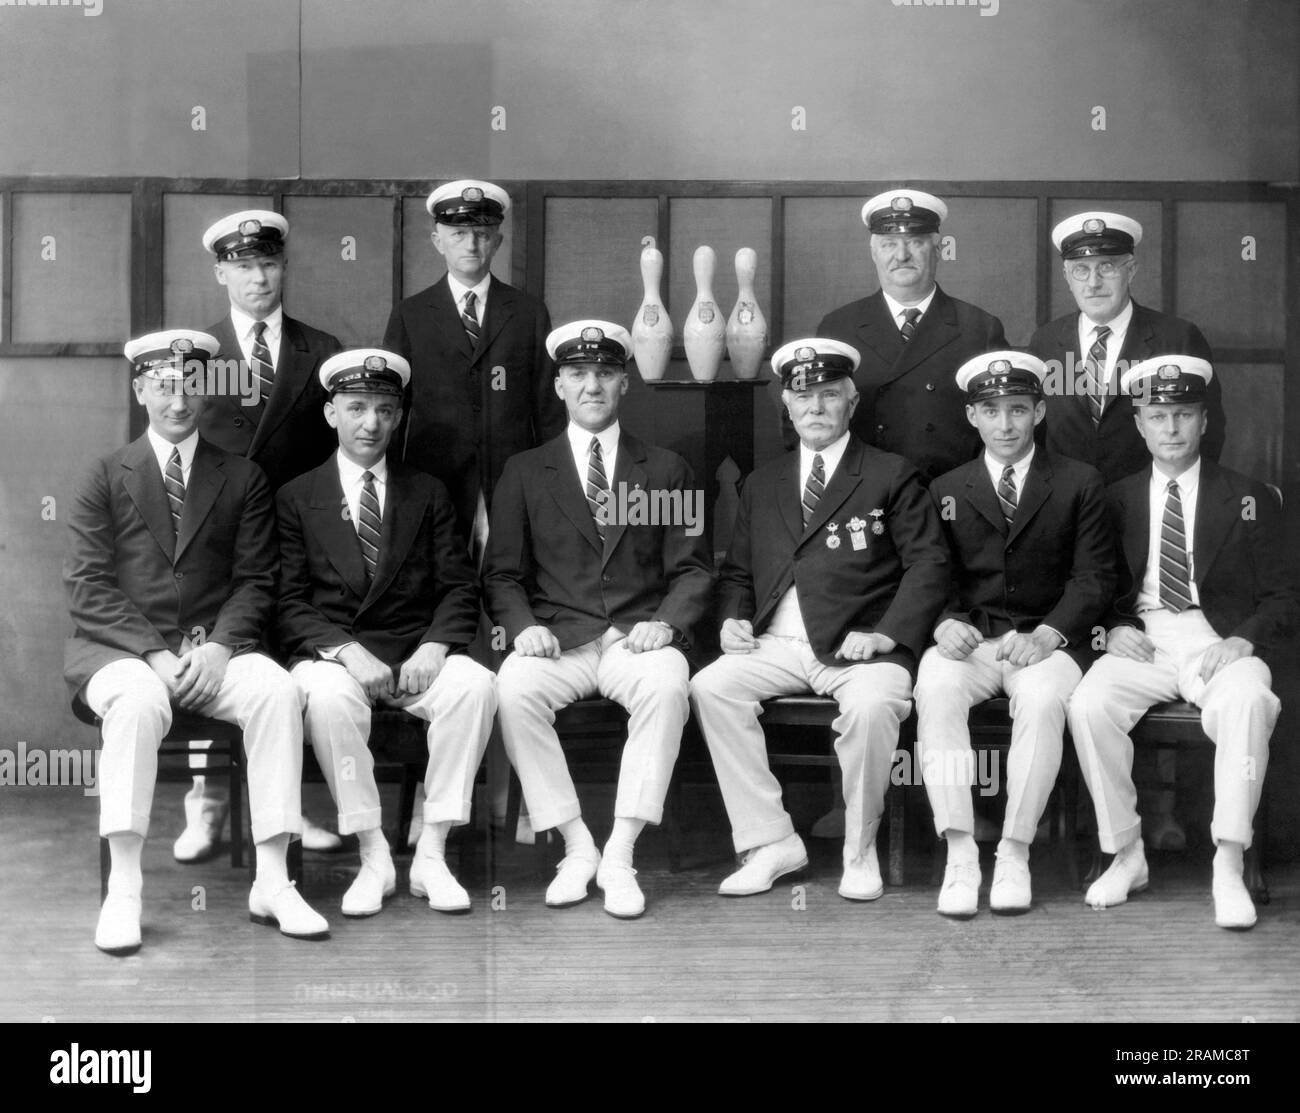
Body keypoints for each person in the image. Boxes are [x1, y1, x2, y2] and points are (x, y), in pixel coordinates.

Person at [65, 329, 329, 955]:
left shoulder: (243, 476)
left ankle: (273, 879)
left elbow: (257, 578)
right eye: (162, 385)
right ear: (140, 390)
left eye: (189, 385)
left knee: (273, 689)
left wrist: (219, 648)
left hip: (214, 649)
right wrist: (154, 653)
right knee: (136, 703)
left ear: (207, 390)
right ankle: (124, 891)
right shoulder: (103, 474)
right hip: (123, 651)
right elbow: (87, 587)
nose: (177, 399)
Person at [689, 338, 949, 902]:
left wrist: (886, 632)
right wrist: (733, 619)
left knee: (875, 705)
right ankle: (772, 840)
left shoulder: (890, 473)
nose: (815, 407)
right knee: (710, 687)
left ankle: (860, 850)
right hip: (779, 644)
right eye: (803, 396)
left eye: (829, 395)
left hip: (861, 647)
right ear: (786, 403)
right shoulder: (763, 483)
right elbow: (737, 574)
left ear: (851, 402)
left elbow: (929, 563)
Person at [482, 321, 714, 918]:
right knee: (512, 687)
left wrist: (666, 621)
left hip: (637, 638)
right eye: (578, 375)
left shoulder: (666, 468)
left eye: (605, 374)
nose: (592, 386)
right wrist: (524, 624)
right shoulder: (526, 471)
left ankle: (622, 851)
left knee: (668, 685)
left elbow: (693, 569)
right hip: (561, 638)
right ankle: (577, 844)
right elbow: (501, 574)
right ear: (558, 385)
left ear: (624, 384)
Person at [1067, 356, 1295, 930]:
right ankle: (1126, 853)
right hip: (1143, 638)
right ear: (1139, 424)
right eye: (1158, 415)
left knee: (1247, 701)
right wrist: (1112, 629)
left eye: (1184, 415)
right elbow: (1094, 587)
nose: (1171, 429)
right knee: (1089, 704)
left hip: (1218, 638)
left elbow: (1285, 596)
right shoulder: (1113, 498)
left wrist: (1245, 640)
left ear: (1204, 422)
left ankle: (1228, 860)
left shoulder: (1249, 497)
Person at [276, 350, 496, 916]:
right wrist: (348, 653)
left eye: (383, 409)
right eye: (356, 408)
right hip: (336, 657)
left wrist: (435, 645)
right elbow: (288, 603)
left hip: (415, 656)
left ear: (398, 417)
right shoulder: (297, 497)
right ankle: (374, 854)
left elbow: (458, 586)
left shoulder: (426, 491)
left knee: (475, 685)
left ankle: (433, 850)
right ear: (331, 415)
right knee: (324, 698)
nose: (370, 423)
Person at [916, 352, 1115, 918]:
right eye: (991, 410)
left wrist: (1051, 634)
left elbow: (1094, 576)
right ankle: (959, 851)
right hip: (973, 639)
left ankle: (1014, 849)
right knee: (935, 688)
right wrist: (942, 622)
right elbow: (932, 572)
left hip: (1049, 640)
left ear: (1040, 411)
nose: (1005, 424)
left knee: (1042, 697)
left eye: (1018, 410)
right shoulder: (947, 488)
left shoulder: (1080, 482)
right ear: (972, 417)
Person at [174, 208, 345, 861]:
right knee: (208, 649)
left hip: (302, 535)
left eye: (268, 263)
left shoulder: (322, 351)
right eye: (243, 265)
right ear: (221, 271)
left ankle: (291, 809)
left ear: (283, 266)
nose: (258, 277)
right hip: (217, 536)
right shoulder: (196, 353)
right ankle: (207, 805)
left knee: (290, 667)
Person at [383, 179, 564, 551]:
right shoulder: (410, 314)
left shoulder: (529, 313)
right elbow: (392, 408)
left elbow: (548, 410)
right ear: (438, 242)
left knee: (512, 572)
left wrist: (552, 480)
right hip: (434, 476)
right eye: (459, 233)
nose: (471, 244)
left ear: (497, 241)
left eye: (481, 234)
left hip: (512, 476)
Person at [816, 189, 1008, 485]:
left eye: (915, 242)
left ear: (938, 249)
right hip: (862, 497)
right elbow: (808, 421)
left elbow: (1003, 427)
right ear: (873, 252)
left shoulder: (980, 328)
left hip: (949, 495)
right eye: (889, 244)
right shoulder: (838, 328)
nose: (901, 255)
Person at [1029, 210, 1227, 484]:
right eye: (1081, 270)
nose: (1093, 283)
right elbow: (1035, 433)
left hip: (1145, 509)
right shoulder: (1045, 342)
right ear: (1066, 276)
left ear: (1131, 270)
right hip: (1067, 510)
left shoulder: (1177, 338)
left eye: (1107, 267)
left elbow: (1209, 430)